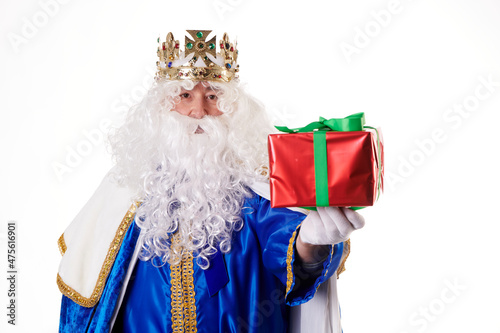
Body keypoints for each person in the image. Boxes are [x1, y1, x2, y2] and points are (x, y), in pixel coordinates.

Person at [57, 29, 365, 333]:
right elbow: (90, 277)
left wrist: (311, 241)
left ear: (234, 108)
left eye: (212, 96)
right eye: (185, 95)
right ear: (163, 105)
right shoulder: (127, 186)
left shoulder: (259, 187)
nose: (198, 111)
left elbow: (289, 244)